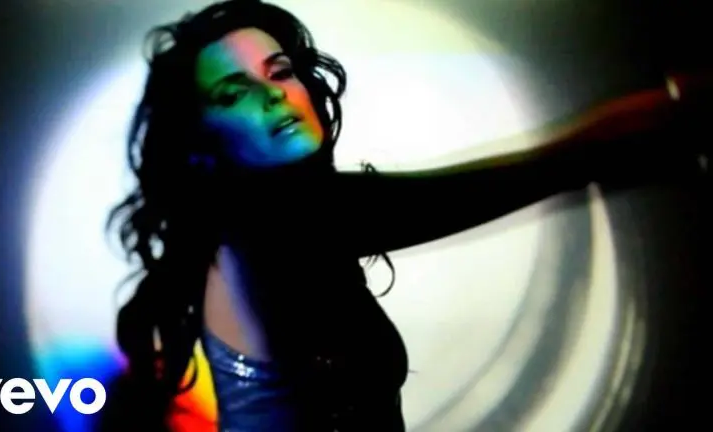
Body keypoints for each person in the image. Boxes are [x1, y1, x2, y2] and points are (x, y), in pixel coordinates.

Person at [101, 1, 707, 431]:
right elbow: (537, 173)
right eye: (234, 93)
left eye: (281, 72)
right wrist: (677, 109)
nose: (274, 95)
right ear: (200, 144)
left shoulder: (255, 233)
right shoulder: (272, 231)